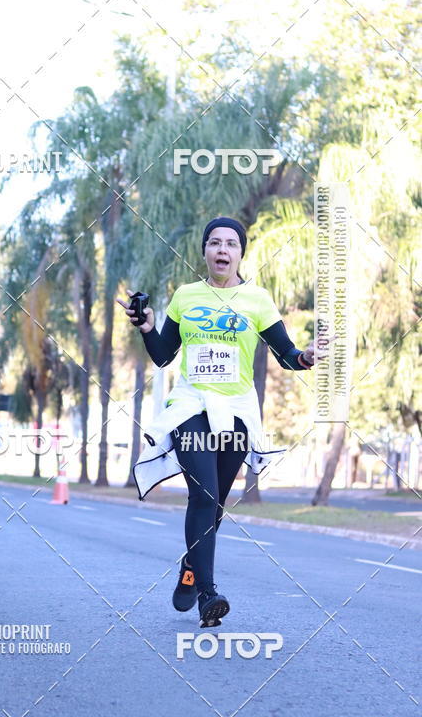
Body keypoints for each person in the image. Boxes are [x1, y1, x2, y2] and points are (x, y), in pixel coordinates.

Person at [117, 217, 331, 628]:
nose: (222, 250)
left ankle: (190, 568)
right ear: (204, 252)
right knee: (203, 495)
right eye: (214, 242)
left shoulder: (257, 300)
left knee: (214, 505)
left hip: (236, 412)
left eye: (230, 244)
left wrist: (305, 357)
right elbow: (163, 356)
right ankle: (208, 596)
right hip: (190, 407)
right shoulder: (185, 296)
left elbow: (286, 353)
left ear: (240, 254)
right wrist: (146, 327)